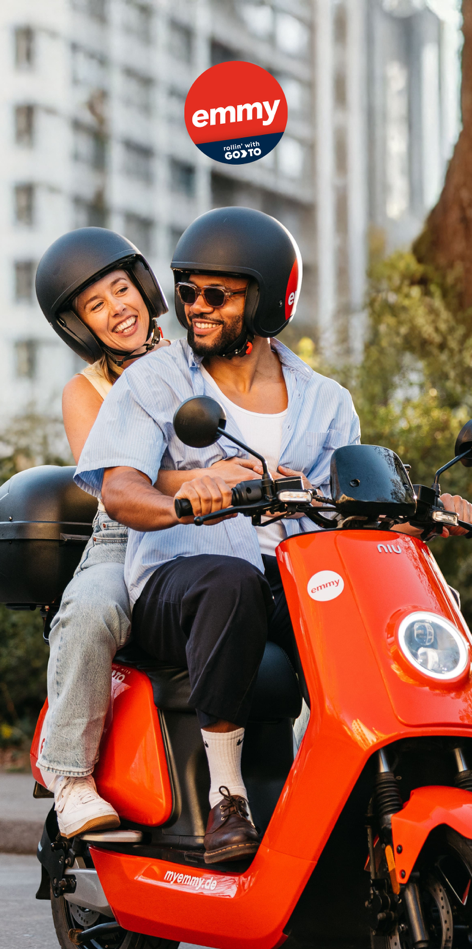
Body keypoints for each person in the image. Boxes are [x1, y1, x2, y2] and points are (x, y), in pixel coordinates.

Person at [75, 207, 472, 864]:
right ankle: (226, 797)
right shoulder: (157, 380)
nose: (194, 308)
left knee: (399, 615)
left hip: (293, 581)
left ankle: (391, 793)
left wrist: (429, 511)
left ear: (263, 301)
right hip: (184, 581)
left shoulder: (325, 400)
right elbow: (121, 489)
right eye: (187, 291)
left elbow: (350, 506)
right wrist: (189, 495)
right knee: (228, 581)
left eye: (216, 295)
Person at [35, 226, 262, 839]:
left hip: (225, 529)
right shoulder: (85, 392)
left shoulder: (202, 352)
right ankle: (71, 776)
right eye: (96, 307)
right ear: (80, 326)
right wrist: (202, 478)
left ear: (144, 286)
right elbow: (116, 478)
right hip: (126, 536)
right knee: (92, 609)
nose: (118, 311)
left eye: (121, 291)